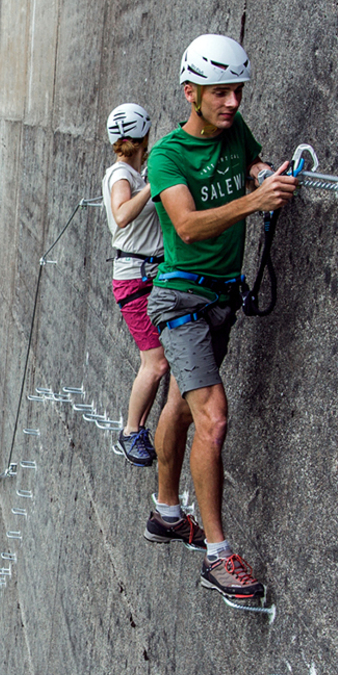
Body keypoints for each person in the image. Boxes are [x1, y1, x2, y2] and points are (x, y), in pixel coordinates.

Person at [141, 33, 299, 599]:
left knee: (183, 407)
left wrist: (258, 173)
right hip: (180, 300)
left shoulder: (236, 132)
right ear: (191, 93)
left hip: (221, 301)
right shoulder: (167, 156)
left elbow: (250, 159)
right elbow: (186, 224)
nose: (233, 102)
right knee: (213, 418)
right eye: (221, 92)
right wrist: (255, 203)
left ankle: (164, 511)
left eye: (238, 91)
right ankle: (218, 554)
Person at [102, 103, 185, 467]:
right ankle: (130, 430)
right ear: (144, 136)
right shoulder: (122, 175)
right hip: (136, 279)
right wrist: (153, 185)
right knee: (155, 362)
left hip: (150, 274)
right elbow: (121, 214)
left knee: (162, 360)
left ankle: (137, 429)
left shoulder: (135, 173)